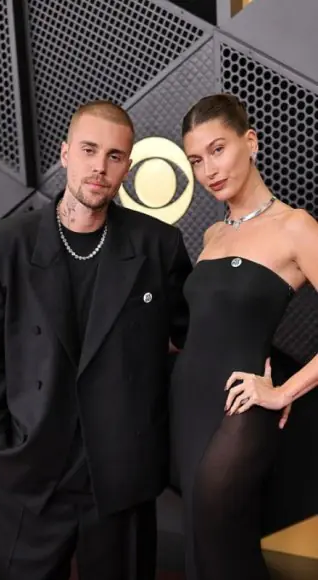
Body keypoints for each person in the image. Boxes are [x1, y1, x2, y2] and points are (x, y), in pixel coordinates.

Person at [0, 100, 192, 580]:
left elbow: (189, 340)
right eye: (89, 150)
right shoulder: (4, 244)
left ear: (127, 167)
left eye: (114, 156)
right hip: (27, 475)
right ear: (66, 153)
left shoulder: (159, 246)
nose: (100, 166)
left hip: (120, 480)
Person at [171, 93, 318, 580]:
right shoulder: (213, 235)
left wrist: (282, 391)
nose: (208, 169)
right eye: (195, 160)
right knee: (201, 547)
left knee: (217, 544)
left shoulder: (294, 226)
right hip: (186, 406)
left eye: (218, 149)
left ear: (249, 141)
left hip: (241, 409)